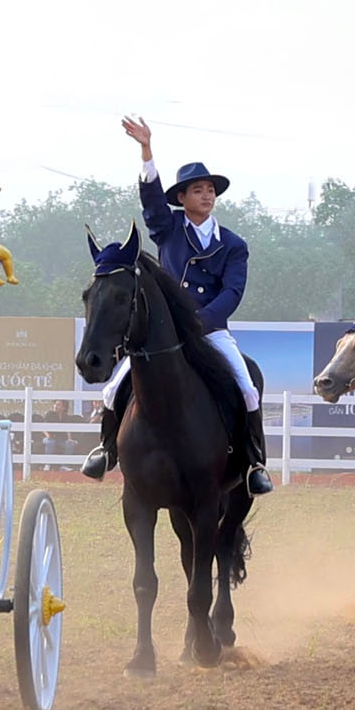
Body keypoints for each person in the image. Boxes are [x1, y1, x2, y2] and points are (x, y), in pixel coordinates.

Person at [79, 117, 272, 494]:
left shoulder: (233, 244)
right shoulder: (169, 228)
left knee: (248, 388)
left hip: (211, 331)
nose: (206, 196)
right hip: (164, 332)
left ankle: (253, 463)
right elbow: (151, 203)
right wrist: (146, 151)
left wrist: (200, 321)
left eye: (210, 190)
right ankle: (106, 449)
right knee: (111, 390)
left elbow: (233, 292)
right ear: (182, 198)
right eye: (198, 190)